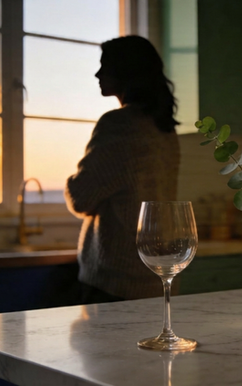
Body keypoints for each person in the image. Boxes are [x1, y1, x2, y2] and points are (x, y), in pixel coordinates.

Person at [64, 35, 181, 303]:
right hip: (157, 276)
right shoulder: (164, 128)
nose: (98, 73)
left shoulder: (118, 124)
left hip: (115, 280)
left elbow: (81, 198)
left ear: (126, 71)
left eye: (104, 66)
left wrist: (71, 180)